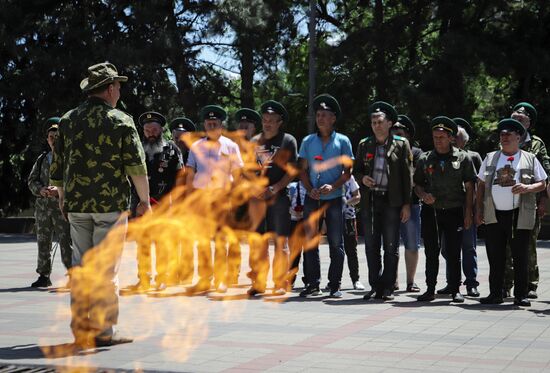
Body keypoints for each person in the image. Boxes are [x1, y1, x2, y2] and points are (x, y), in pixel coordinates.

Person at [50, 62, 150, 347]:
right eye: (117, 85)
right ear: (108, 89)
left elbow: (57, 168)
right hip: (110, 208)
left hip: (78, 207)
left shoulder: (68, 120)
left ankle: (82, 328)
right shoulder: (121, 120)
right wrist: (144, 201)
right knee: (106, 271)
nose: (119, 89)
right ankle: (104, 331)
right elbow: (136, 168)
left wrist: (62, 198)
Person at [476, 118, 547, 306]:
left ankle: (521, 295)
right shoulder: (491, 157)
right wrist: (478, 210)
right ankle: (495, 293)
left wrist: (527, 187)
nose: (504, 137)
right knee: (495, 255)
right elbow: (481, 185)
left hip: (519, 213)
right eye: (502, 135)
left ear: (518, 137)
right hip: (494, 213)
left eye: (509, 134)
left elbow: (543, 183)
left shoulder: (529, 158)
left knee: (520, 255)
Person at [354, 102, 412, 301]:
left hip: (392, 201)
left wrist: (406, 204)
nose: (376, 125)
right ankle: (375, 285)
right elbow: (357, 169)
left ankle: (388, 287)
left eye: (380, 122)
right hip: (371, 201)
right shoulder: (364, 144)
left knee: (390, 245)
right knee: (370, 245)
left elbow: (407, 176)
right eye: (373, 122)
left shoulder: (401, 144)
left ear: (389, 123)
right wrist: (363, 179)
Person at [414, 116, 476, 303]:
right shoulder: (425, 159)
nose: (437, 141)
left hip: (454, 210)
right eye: (435, 137)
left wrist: (468, 213)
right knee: (431, 251)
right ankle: (430, 288)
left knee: (454, 252)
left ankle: (456, 289)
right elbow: (417, 184)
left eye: (441, 137)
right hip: (432, 211)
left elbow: (470, 187)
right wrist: (423, 195)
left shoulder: (463, 158)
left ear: (451, 138)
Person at [298, 94, 354, 298]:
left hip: (335, 198)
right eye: (318, 115)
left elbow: (348, 172)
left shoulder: (343, 141)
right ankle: (313, 283)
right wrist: (309, 187)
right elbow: (302, 170)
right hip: (312, 198)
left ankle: (335, 285)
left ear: (333, 119)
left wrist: (334, 185)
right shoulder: (307, 141)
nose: (320, 118)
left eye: (325, 115)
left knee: (336, 243)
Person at [185, 105, 244, 294]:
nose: (211, 126)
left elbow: (238, 173)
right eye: (208, 123)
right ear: (204, 125)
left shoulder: (231, 146)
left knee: (220, 240)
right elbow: (190, 173)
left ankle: (220, 279)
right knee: (202, 241)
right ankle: (204, 279)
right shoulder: (196, 146)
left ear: (221, 125)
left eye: (215, 123)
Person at [127, 111, 183, 291]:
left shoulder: (172, 149)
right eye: (147, 129)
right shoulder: (135, 149)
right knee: (142, 243)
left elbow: (180, 178)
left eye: (154, 129)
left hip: (163, 204)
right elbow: (127, 177)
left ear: (161, 130)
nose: (150, 133)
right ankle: (143, 277)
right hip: (140, 205)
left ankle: (161, 277)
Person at [247, 101, 297, 296]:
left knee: (280, 241)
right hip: (257, 198)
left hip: (279, 197)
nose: (267, 123)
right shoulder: (253, 142)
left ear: (279, 122)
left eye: (271, 121)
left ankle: (279, 282)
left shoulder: (288, 140)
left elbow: (292, 170)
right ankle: (258, 282)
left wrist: (275, 188)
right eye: (264, 120)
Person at [503, 102, 550, 299]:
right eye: (515, 119)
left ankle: (530, 284)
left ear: (528, 124)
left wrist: (544, 200)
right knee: (505, 245)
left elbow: (545, 173)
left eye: (521, 120)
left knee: (529, 244)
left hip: (530, 200)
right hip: (504, 202)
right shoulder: (502, 139)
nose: (517, 122)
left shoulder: (537, 144)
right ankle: (506, 284)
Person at [437, 119, 482, 297]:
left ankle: (471, 283)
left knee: (468, 246)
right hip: (448, 208)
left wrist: (476, 209)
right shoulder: (442, 157)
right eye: (452, 137)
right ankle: (452, 282)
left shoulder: (473, 156)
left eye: (457, 137)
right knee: (447, 248)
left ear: (465, 140)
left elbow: (479, 184)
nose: (454, 140)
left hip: (467, 207)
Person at [28, 118, 72, 288]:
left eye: (56, 136)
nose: (53, 139)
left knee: (66, 243)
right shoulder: (42, 159)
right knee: (43, 242)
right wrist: (40, 190)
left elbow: (77, 182)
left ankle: (73, 275)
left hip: (63, 208)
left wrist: (60, 191)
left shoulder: (69, 159)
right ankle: (44, 275)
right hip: (43, 209)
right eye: (50, 137)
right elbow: (32, 180)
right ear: (47, 140)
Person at [390, 114, 422, 293]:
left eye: (400, 132)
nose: (396, 135)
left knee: (411, 244)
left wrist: (408, 203)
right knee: (390, 244)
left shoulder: (417, 153)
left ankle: (411, 281)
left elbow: (415, 179)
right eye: (393, 132)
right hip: (390, 205)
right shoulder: (386, 150)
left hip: (412, 204)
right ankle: (392, 281)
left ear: (408, 135)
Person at [168, 116, 196, 285]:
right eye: (176, 137)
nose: (179, 140)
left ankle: (186, 274)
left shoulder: (196, 154)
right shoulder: (167, 152)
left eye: (183, 137)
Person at [341, 175, 365, 290]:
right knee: (335, 250)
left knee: (351, 250)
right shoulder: (328, 174)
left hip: (349, 218)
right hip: (333, 218)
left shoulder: (349, 177)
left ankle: (356, 279)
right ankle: (334, 281)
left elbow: (358, 196)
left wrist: (345, 202)